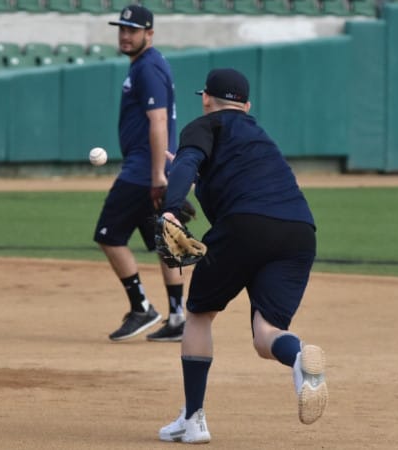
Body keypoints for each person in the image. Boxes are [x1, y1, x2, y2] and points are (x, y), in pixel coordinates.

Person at [156, 68, 328, 443]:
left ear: (206, 99)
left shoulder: (205, 125)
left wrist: (171, 207)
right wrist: (199, 178)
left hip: (245, 226)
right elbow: (237, 180)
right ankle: (299, 358)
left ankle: (193, 418)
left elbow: (185, 164)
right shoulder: (259, 136)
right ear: (246, 106)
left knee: (199, 314)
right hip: (299, 231)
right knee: (266, 334)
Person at [95, 5, 186, 342]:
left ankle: (141, 308)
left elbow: (158, 120)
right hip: (153, 167)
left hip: (143, 171)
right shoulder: (149, 64)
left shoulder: (148, 67)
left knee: (108, 235)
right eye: (122, 29)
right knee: (164, 239)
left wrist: (158, 175)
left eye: (132, 30)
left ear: (149, 33)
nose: (125, 35)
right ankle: (178, 316)